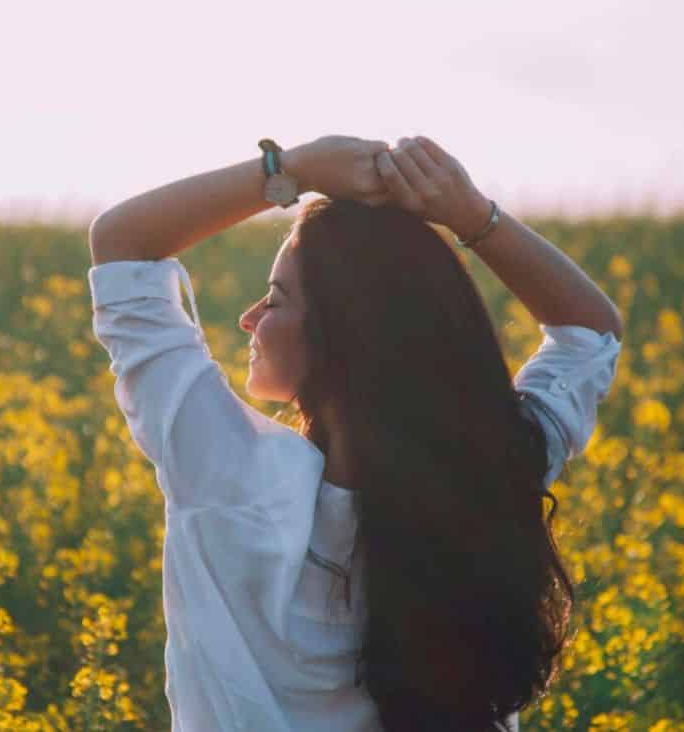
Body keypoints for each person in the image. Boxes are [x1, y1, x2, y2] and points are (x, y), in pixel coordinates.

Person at [87, 135, 625, 731]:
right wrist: (471, 215)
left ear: (342, 341)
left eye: (275, 299)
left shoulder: (232, 476)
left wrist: (287, 169)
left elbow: (121, 245)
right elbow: (590, 332)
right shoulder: (492, 472)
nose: (250, 318)